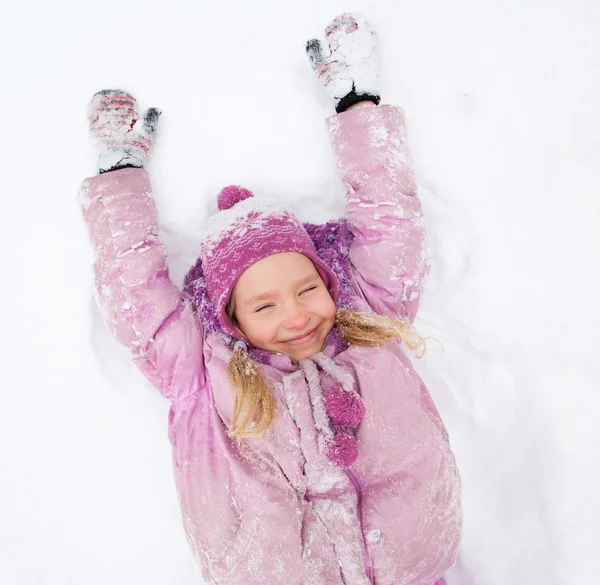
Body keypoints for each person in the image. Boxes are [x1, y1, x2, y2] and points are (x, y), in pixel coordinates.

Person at [80, 13, 461, 585]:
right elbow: (137, 296)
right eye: (263, 306)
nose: (297, 313)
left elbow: (391, 219)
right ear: (230, 317)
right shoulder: (202, 374)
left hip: (416, 569)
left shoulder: (369, 317)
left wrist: (358, 102)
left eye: (307, 288)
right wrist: (120, 172)